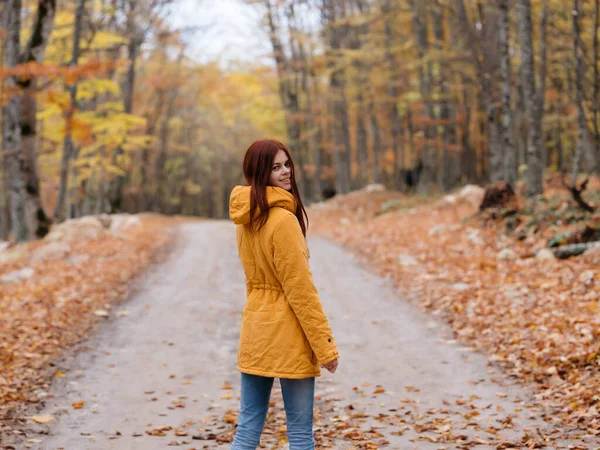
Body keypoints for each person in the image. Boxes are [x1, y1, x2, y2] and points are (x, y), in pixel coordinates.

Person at [228, 139, 339, 450]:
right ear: (259, 173)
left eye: (286, 164)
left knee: (247, 430)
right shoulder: (283, 221)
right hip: (289, 333)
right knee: (301, 434)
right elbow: (301, 291)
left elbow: (255, 282)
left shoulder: (246, 218)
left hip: (256, 330)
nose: (285, 171)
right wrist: (325, 347)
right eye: (275, 167)